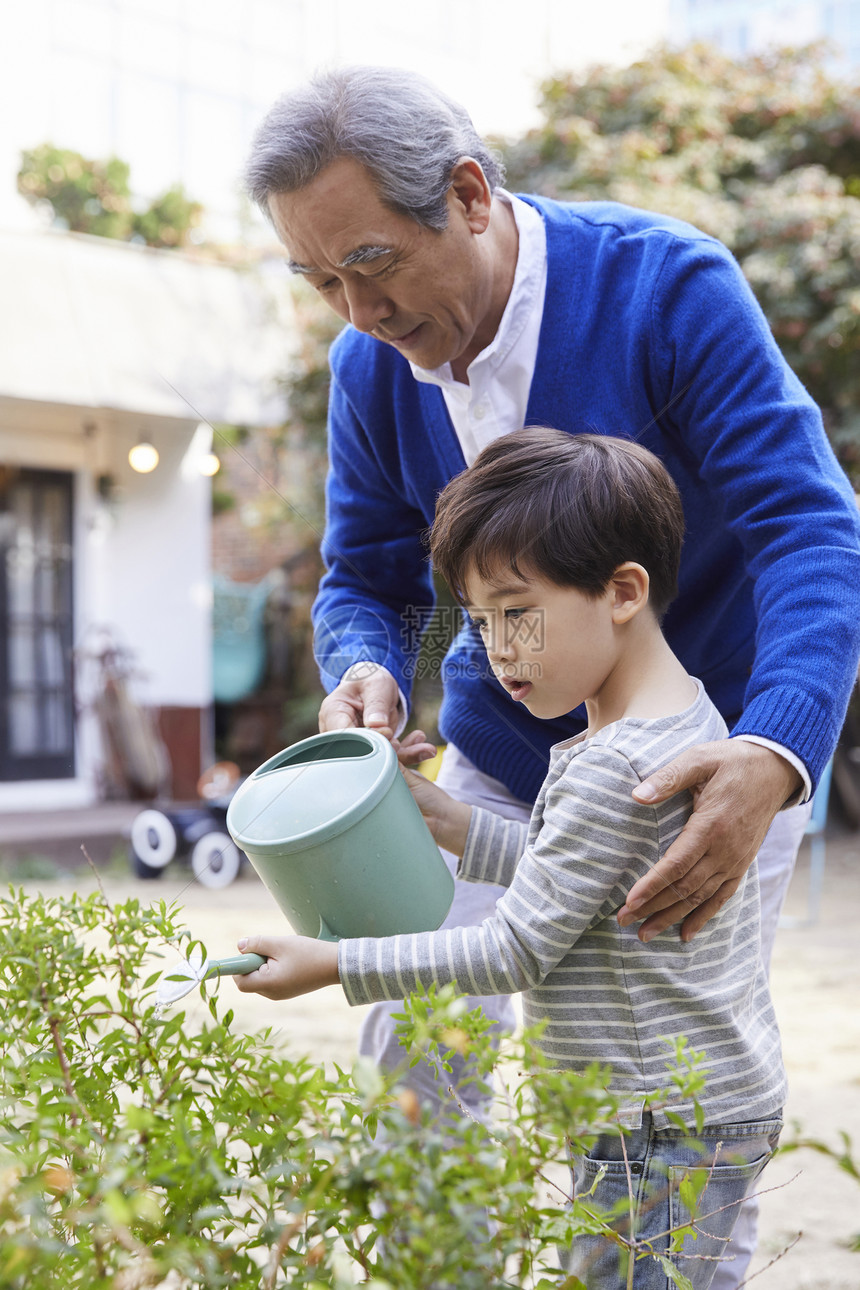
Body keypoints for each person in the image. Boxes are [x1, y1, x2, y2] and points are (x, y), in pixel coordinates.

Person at [243, 65, 860, 1285]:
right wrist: (365, 673)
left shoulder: (663, 287)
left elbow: (810, 527)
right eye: (317, 282)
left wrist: (774, 753)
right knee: (416, 1054)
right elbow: (366, 575)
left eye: (371, 264)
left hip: (702, 751)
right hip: (504, 745)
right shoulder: (370, 370)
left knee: (663, 1081)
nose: (354, 311)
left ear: (467, 196)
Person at [236, 428, 786, 1289]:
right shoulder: (683, 719)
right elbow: (582, 877)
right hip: (694, 1105)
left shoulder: (612, 762)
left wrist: (334, 963)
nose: (496, 651)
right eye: (478, 620)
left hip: (654, 1125)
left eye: (517, 613)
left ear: (622, 591)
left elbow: (512, 948)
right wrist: (449, 818)